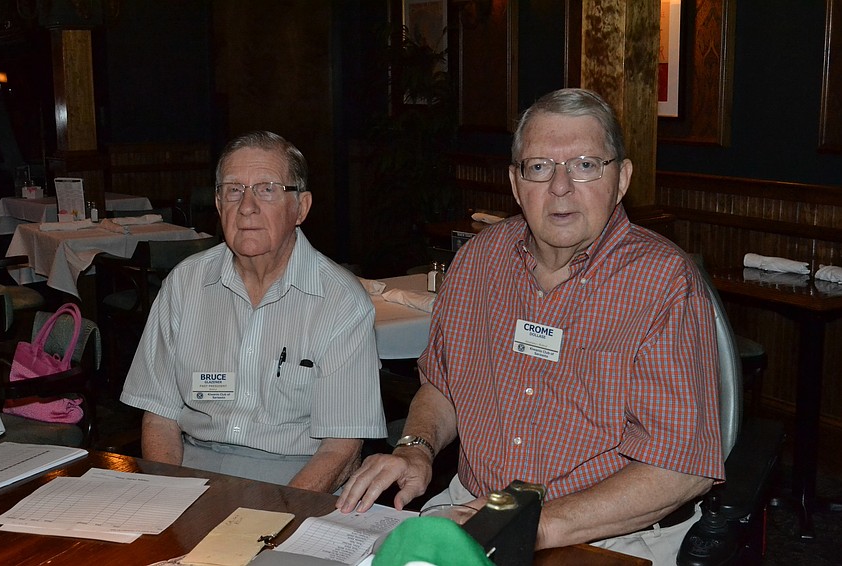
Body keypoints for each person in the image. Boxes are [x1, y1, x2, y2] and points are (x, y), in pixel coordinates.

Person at [337, 89, 725, 563]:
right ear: (517, 184)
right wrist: (416, 448)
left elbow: (681, 469)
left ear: (621, 179)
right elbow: (443, 385)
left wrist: (527, 522)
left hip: (610, 535)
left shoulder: (664, 283)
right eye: (539, 167)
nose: (560, 187)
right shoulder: (479, 261)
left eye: (585, 165)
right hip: (471, 507)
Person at [121, 131, 387, 493]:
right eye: (233, 189)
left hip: (297, 482)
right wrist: (167, 496)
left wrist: (275, 520)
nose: (246, 206)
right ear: (218, 204)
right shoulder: (185, 284)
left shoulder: (341, 301)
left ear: (301, 207)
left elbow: (341, 448)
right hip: (191, 470)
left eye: (267, 189)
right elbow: (160, 416)